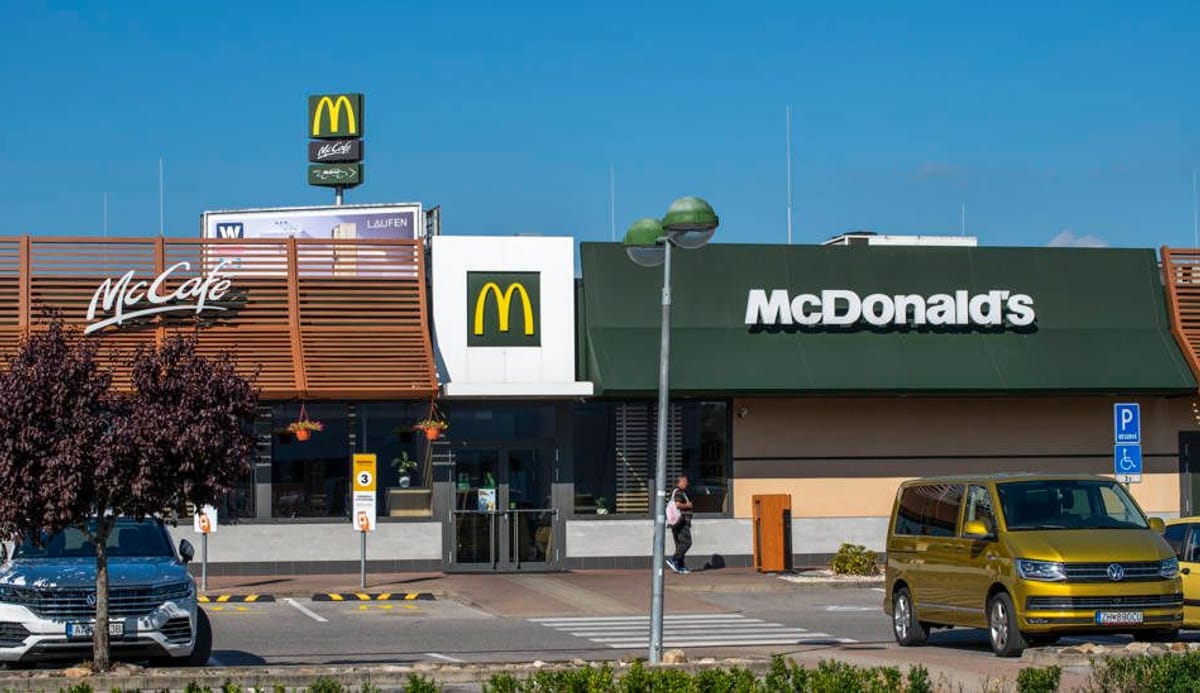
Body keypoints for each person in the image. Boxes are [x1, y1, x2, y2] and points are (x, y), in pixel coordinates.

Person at [666, 475, 693, 574]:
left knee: (679, 544)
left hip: (677, 522)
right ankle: (674, 560)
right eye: (685, 482)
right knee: (687, 543)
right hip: (681, 522)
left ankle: (680, 566)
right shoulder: (678, 492)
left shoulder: (677, 491)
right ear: (680, 482)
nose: (687, 483)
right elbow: (677, 504)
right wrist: (688, 505)